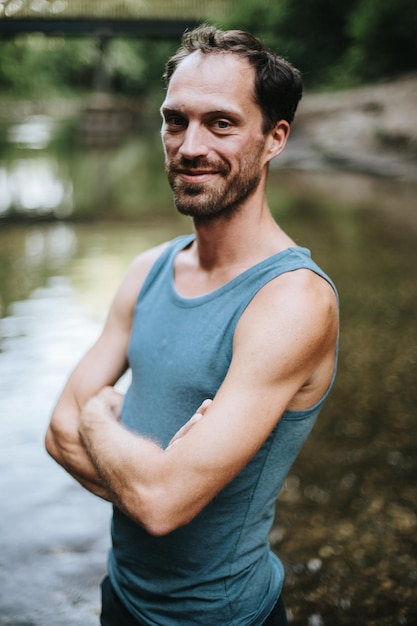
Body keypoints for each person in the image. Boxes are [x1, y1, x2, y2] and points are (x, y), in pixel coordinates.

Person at [45, 25, 339, 626]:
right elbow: (55, 432)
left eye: (221, 123)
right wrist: (145, 477)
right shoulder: (147, 270)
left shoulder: (292, 301)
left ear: (274, 137)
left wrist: (101, 414)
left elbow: (158, 502)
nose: (189, 145)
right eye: (175, 120)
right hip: (121, 597)